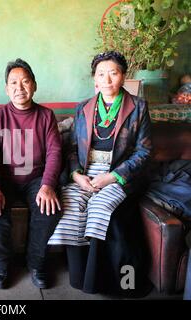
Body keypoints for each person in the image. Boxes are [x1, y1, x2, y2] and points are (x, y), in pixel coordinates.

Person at [48, 51, 153, 296]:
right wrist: (76, 175)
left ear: (123, 76)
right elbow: (72, 148)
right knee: (71, 205)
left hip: (119, 173)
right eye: (101, 74)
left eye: (113, 73)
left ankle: (101, 280)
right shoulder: (83, 107)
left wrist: (112, 177)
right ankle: (79, 276)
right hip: (86, 173)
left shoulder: (138, 107)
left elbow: (144, 152)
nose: (107, 80)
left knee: (99, 208)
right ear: (94, 78)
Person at [0, 58, 63, 289]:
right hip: (4, 180)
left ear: (34, 85)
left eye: (25, 82)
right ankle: (2, 264)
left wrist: (47, 185)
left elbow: (55, 153)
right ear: (7, 89)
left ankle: (35, 263)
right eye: (14, 83)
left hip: (36, 179)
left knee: (49, 210)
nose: (20, 88)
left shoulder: (46, 116)